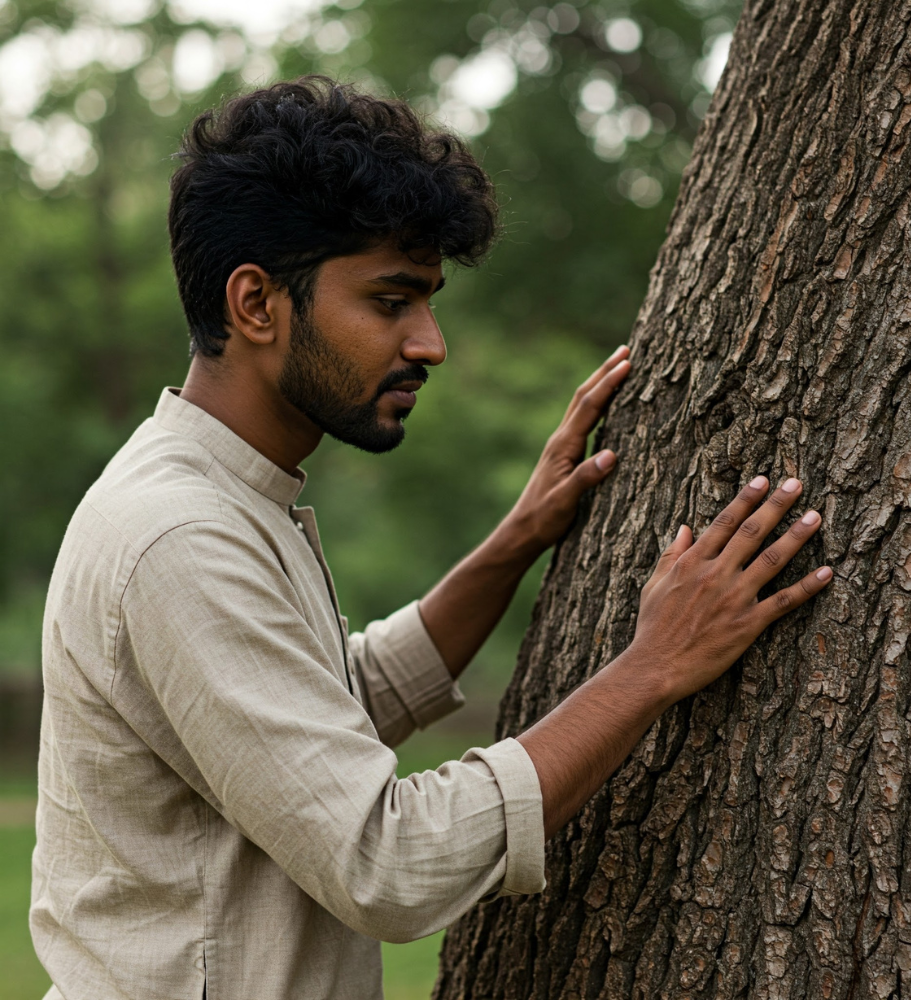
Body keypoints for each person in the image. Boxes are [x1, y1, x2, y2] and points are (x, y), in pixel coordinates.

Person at [30, 77, 832, 1000]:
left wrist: (516, 541)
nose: (431, 343)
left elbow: (323, 712)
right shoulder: (180, 536)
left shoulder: (220, 494)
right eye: (390, 300)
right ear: (256, 304)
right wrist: (654, 666)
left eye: (429, 301)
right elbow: (385, 860)